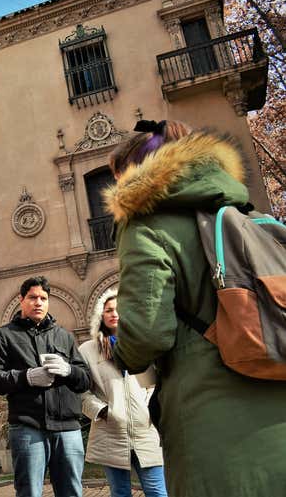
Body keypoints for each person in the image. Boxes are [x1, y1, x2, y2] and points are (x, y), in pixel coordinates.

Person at [105, 120, 286, 496]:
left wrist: (121, 352)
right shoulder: (251, 217)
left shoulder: (146, 224)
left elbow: (147, 334)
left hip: (213, 422)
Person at [0, 276, 91, 497]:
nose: (38, 302)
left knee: (72, 491)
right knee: (29, 492)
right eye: (32, 297)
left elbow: (85, 381)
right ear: (21, 300)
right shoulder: (5, 335)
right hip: (27, 428)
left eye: (43, 298)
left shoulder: (64, 336)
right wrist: (27, 377)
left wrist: (69, 370)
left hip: (67, 428)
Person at [78, 291, 167, 497]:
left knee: (157, 491)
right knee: (120, 493)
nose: (114, 313)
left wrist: (149, 408)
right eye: (108, 310)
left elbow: (156, 383)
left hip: (145, 430)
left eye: (119, 309)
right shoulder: (87, 350)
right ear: (101, 316)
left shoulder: (143, 345)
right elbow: (80, 391)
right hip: (111, 432)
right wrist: (102, 411)